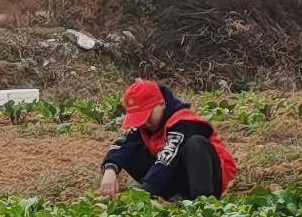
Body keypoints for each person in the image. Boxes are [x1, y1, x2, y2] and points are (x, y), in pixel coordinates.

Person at [97, 78, 238, 202]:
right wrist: (110, 168)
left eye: (147, 115)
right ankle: (173, 196)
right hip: (176, 179)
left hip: (209, 180)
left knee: (195, 143)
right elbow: (123, 144)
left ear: (162, 105)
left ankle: (201, 203)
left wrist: (144, 191)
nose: (144, 123)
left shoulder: (185, 122)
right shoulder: (145, 126)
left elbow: (167, 159)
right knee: (131, 151)